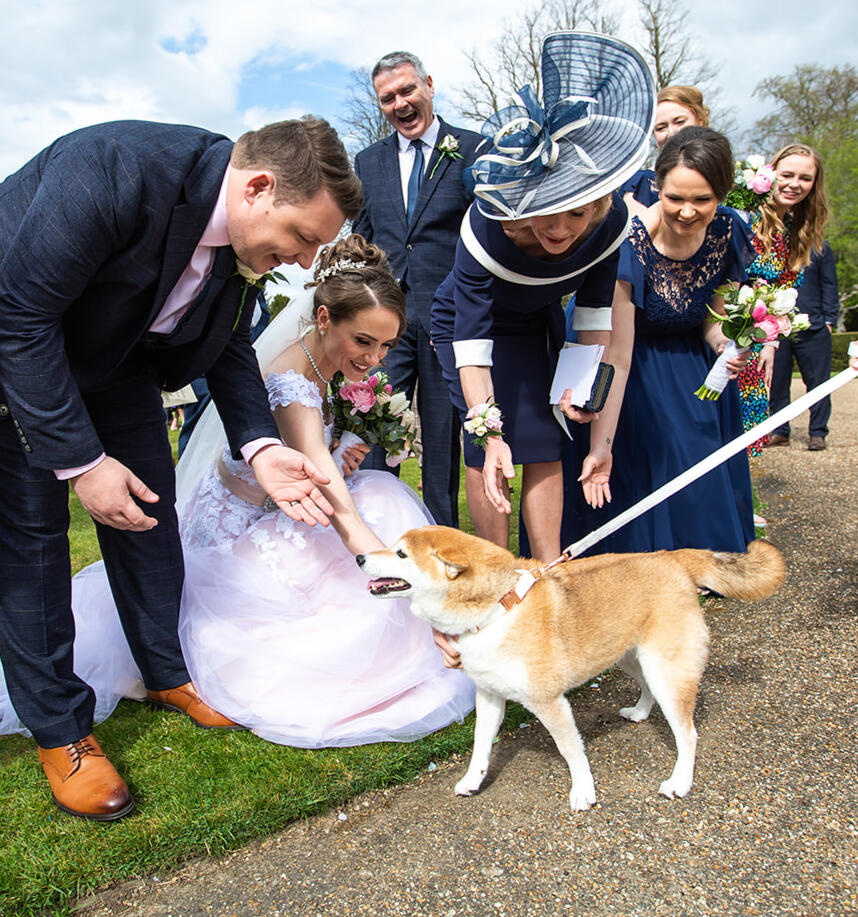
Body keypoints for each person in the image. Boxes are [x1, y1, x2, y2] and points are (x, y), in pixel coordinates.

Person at [0, 117, 363, 820]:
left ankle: (166, 670)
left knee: (150, 519)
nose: (301, 260)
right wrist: (80, 462)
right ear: (257, 187)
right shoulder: (111, 169)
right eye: (303, 237)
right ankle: (62, 730)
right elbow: (19, 314)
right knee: (33, 544)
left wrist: (262, 446)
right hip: (21, 360)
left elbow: (224, 343)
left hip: (116, 367)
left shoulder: (239, 240)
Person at [12, 235, 474, 749]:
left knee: (376, 493)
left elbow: (313, 460)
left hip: (274, 513)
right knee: (375, 505)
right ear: (322, 319)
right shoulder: (292, 384)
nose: (375, 357)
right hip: (234, 534)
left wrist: (341, 445)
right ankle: (424, 624)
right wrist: (399, 575)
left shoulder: (321, 367)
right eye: (364, 341)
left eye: (386, 345)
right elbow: (335, 501)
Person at [430, 31, 655, 561]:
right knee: (493, 446)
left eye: (577, 213)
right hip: (469, 330)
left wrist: (583, 390)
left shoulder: (611, 225)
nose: (561, 229)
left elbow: (596, 320)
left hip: (535, 323)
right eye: (546, 214)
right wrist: (489, 434)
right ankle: (496, 571)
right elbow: (472, 342)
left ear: (597, 206)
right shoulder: (484, 231)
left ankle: (546, 570)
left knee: (544, 438)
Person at [571, 126, 756, 555]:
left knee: (701, 438)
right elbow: (615, 354)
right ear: (658, 188)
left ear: (721, 195)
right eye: (675, 198)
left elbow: (712, 316)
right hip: (628, 354)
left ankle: (703, 557)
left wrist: (726, 346)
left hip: (687, 351)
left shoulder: (727, 232)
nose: (688, 212)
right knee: (663, 441)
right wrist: (601, 445)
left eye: (702, 200)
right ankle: (641, 561)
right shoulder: (629, 245)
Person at [353, 51, 481, 528]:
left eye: (407, 91)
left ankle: (442, 534)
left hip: (449, 313)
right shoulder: (368, 162)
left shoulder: (472, 148)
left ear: (428, 84)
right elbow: (361, 241)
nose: (401, 104)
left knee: (444, 435)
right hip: (387, 321)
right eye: (388, 98)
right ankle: (374, 531)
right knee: (373, 423)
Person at [746, 145, 831, 451]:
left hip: (757, 343)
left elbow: (781, 293)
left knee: (748, 435)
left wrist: (768, 339)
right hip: (722, 337)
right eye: (787, 174)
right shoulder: (744, 216)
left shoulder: (795, 230)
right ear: (770, 173)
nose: (795, 183)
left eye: (805, 178)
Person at [621, 85, 710, 211]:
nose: (671, 133)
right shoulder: (641, 185)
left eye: (679, 122)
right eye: (661, 128)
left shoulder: (732, 179)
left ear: (700, 121)